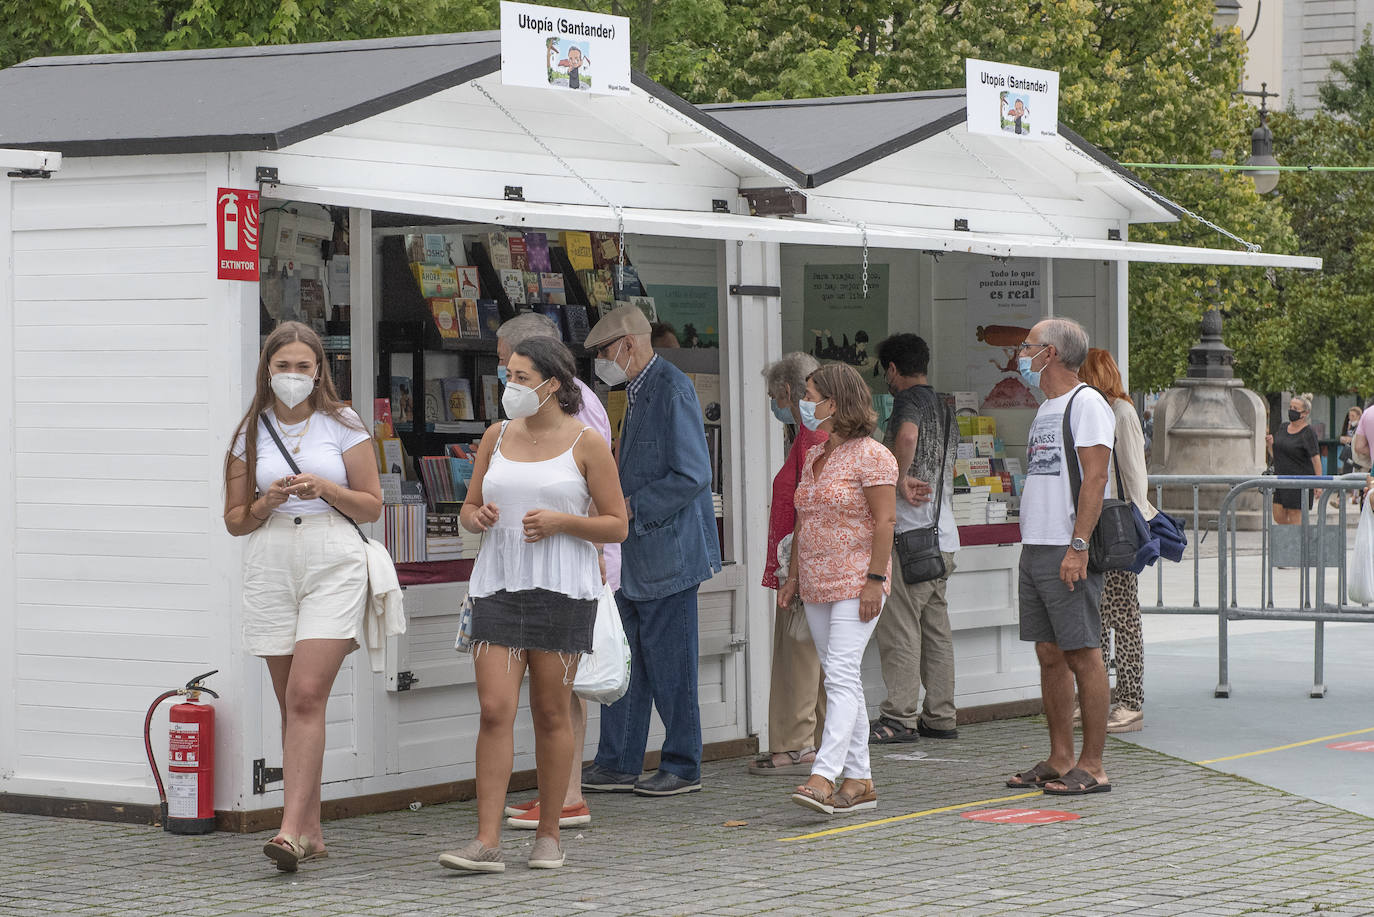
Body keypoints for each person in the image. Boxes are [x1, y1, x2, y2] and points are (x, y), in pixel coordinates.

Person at [438, 337, 626, 873]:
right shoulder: (495, 436)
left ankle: (549, 834)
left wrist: (563, 521)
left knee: (550, 712)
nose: (510, 386)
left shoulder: (586, 443)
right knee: (494, 710)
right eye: (509, 375)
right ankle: (486, 839)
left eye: (522, 377)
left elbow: (617, 523)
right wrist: (475, 519)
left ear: (554, 383)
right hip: (497, 583)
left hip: (562, 588)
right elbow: (469, 508)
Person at [223, 321, 383, 871]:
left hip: (331, 555)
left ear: (320, 371)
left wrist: (327, 488)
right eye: (282, 365)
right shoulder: (251, 429)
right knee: (289, 697)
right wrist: (266, 502)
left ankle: (289, 830)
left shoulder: (343, 423)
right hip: (271, 557)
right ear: (267, 370)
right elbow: (235, 522)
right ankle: (311, 828)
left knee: (307, 694)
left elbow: (371, 504)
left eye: (303, 366)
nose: (292, 376)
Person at [580, 304, 722, 797]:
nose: (601, 361)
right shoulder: (638, 390)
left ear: (629, 346)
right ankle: (618, 762)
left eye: (603, 352)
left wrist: (630, 506)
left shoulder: (671, 388)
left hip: (668, 553)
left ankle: (683, 765)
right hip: (640, 555)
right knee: (628, 663)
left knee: (670, 665)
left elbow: (693, 474)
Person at [495, 313, 618, 831]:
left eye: (513, 369)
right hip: (552, 558)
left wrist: (575, 534)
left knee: (564, 689)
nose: (506, 380)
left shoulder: (576, 415)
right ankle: (562, 792)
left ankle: (566, 795)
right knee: (560, 690)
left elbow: (592, 494)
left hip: (573, 561)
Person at [1004, 318, 1115, 796]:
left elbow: (1096, 478)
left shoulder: (1086, 403)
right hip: (1037, 545)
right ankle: (1059, 757)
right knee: (1049, 653)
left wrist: (1078, 545)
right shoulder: (1047, 406)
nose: (1020, 354)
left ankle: (1093, 765)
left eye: (1027, 346)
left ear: (1049, 353)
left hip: (1066, 546)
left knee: (1083, 652)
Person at [781, 363, 898, 816]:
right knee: (841, 676)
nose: (804, 403)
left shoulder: (872, 455)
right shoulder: (816, 454)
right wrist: (792, 578)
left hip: (856, 580)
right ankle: (860, 780)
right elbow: (804, 521)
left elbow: (886, 520)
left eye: (810, 394)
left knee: (841, 674)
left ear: (834, 402)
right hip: (815, 580)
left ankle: (823, 774)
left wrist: (874, 579)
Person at [869, 333, 961, 744]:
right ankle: (940, 715)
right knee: (936, 628)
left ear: (892, 369)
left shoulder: (908, 400)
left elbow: (906, 438)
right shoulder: (944, 403)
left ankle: (898, 717)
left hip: (911, 533)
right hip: (944, 535)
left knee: (901, 628)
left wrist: (896, 477)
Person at [749, 352, 827, 777]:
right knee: (809, 651)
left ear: (786, 392)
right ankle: (810, 741)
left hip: (802, 564)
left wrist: (793, 573)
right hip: (803, 561)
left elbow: (807, 507)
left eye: (772, 395)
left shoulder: (812, 438)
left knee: (796, 652)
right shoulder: (807, 436)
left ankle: (796, 744)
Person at [1078, 348, 1155, 734]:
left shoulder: (1121, 413)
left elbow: (1134, 474)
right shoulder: (1104, 411)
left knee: (1123, 618)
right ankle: (1104, 699)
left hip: (1117, 528)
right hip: (1102, 527)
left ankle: (1130, 701)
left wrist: (1135, 523)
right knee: (1100, 615)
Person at [1265, 394, 1322, 525]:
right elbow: (1277, 455)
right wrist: (1270, 445)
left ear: (1305, 413)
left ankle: (1298, 543)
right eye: (1290, 407)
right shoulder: (1283, 427)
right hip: (1281, 480)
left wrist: (1319, 483)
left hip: (1300, 481)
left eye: (1295, 408)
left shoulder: (1308, 432)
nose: (1291, 411)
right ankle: (1290, 540)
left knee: (1295, 516)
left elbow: (1316, 458)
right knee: (1278, 515)